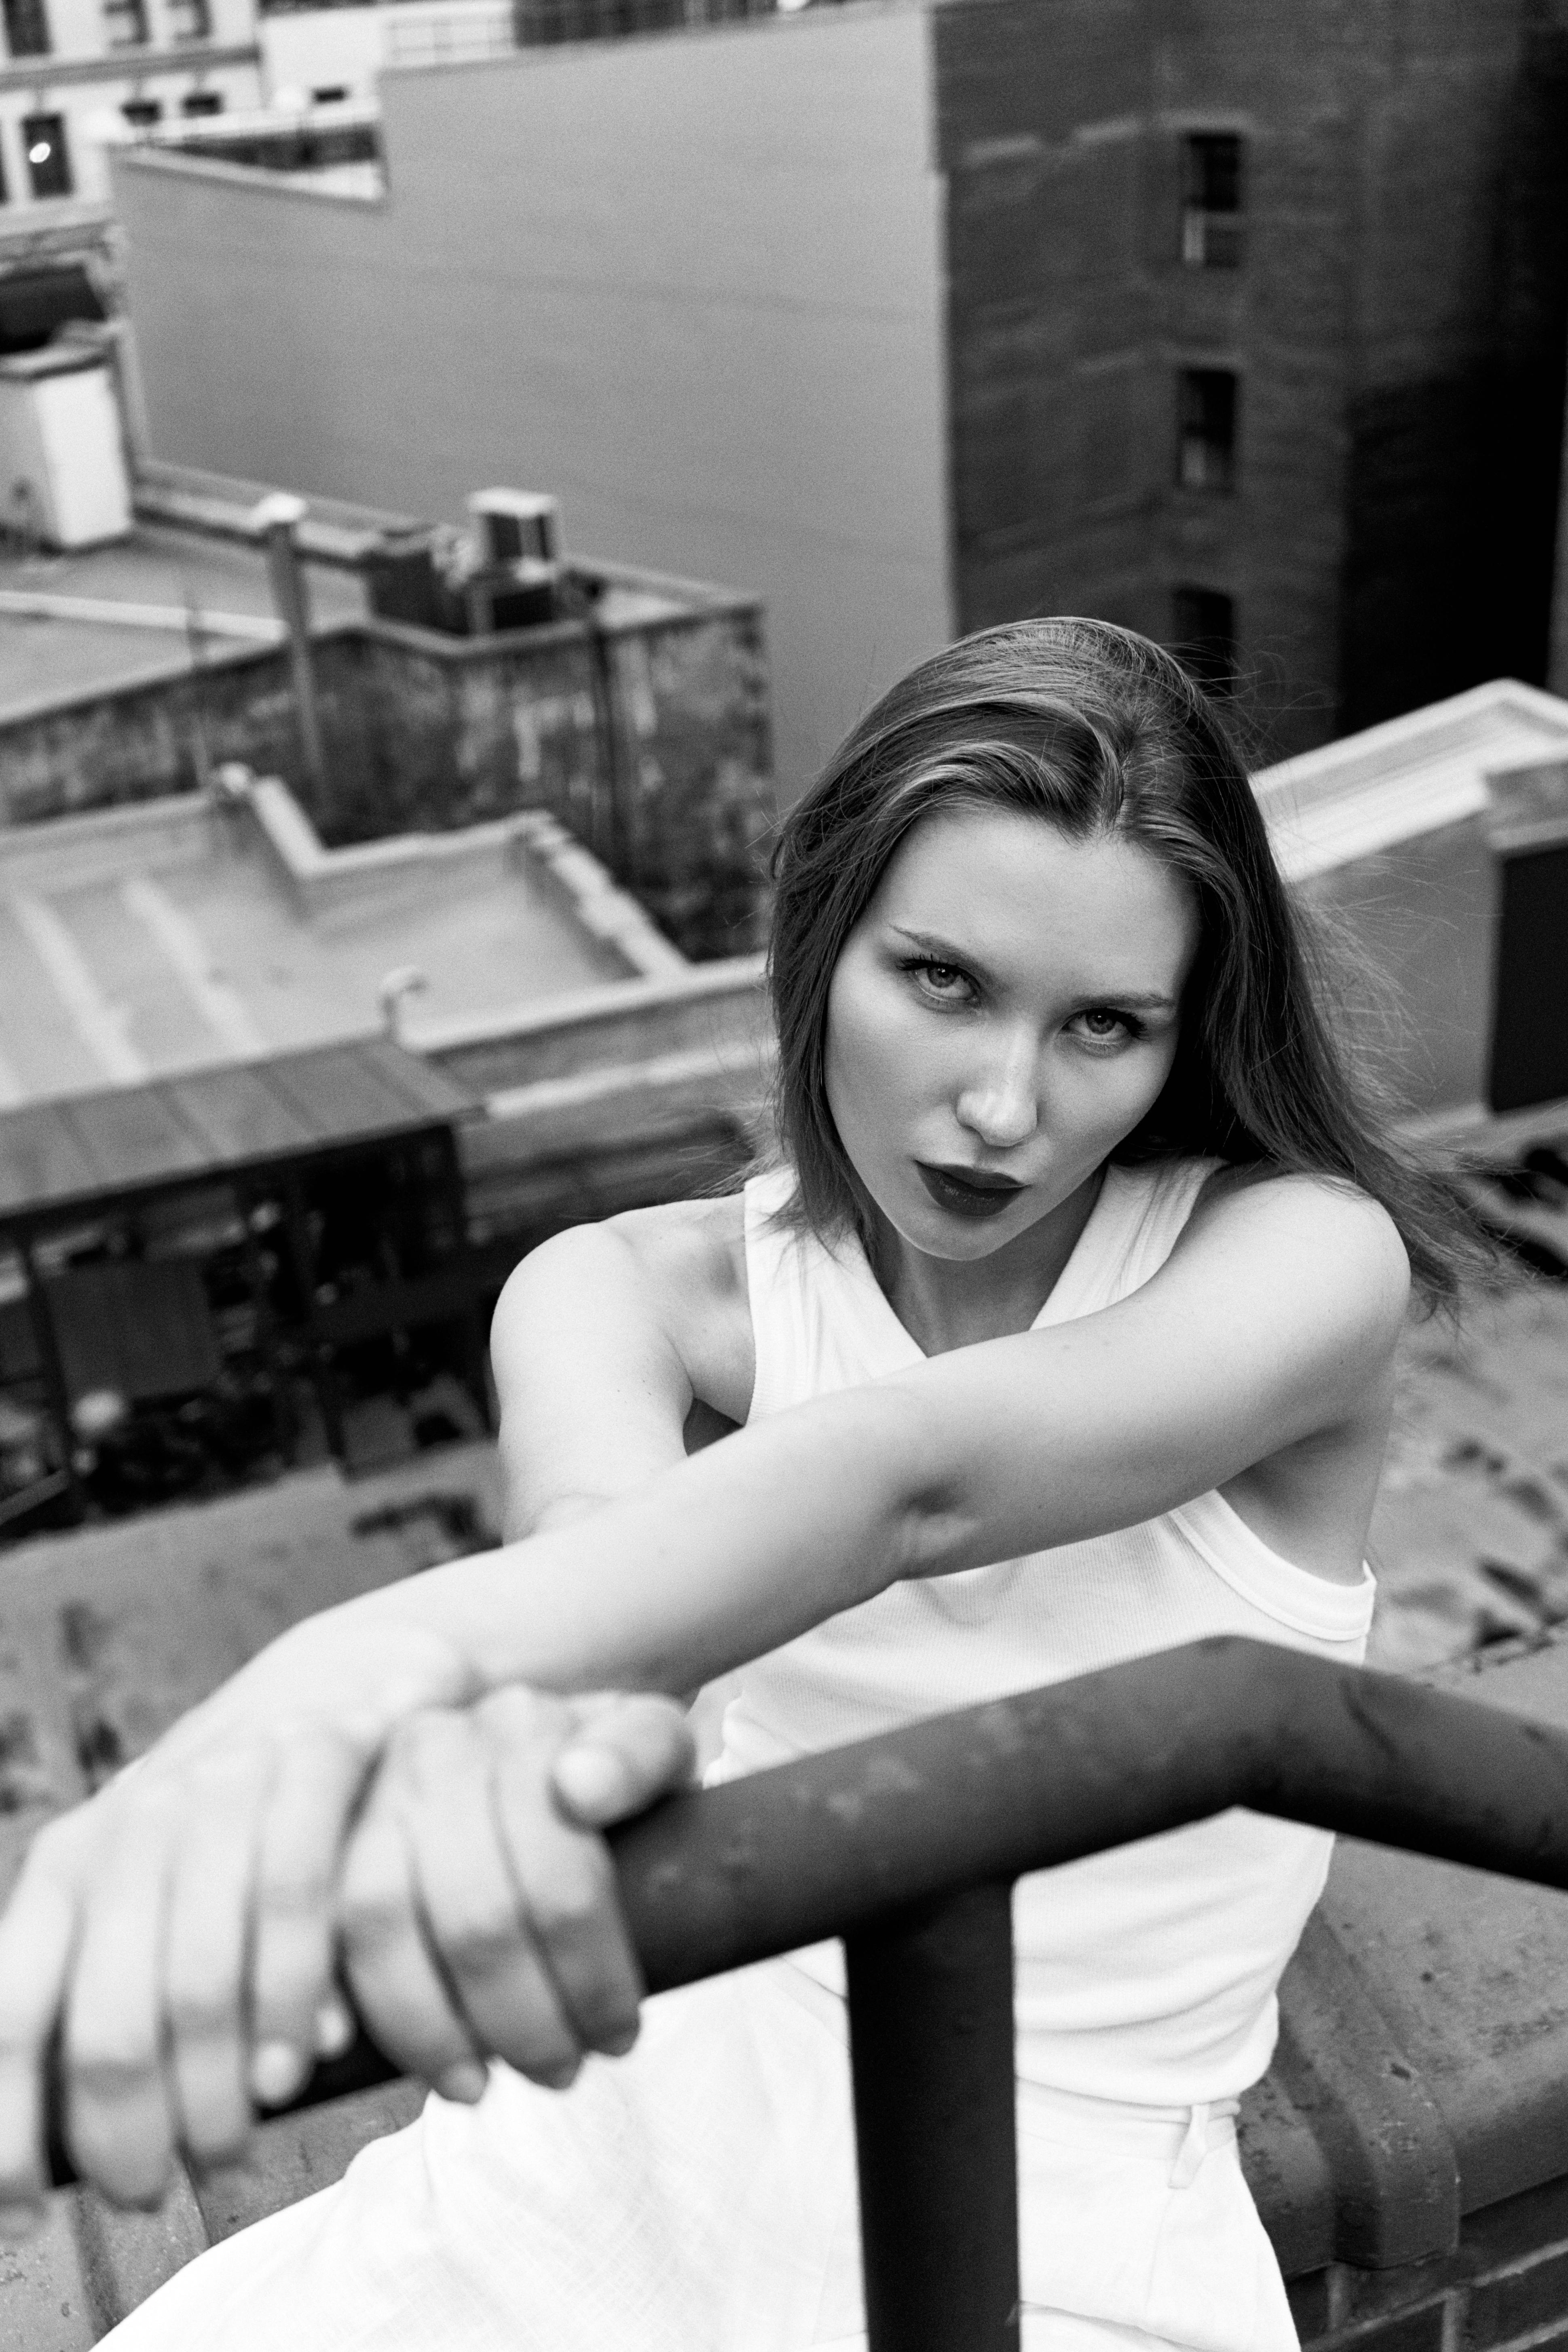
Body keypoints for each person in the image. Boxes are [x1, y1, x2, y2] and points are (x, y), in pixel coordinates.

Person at [0, 619, 1480, 2350]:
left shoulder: (1299, 1259)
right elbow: (610, 1571)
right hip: (633, 2113)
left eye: (1103, 1025)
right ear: (819, 932)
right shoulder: (625, 1286)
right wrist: (502, 1724)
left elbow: (906, 1483)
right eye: (941, 980)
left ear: (1186, 1035)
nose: (1003, 1101)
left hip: (1054, 2214)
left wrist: (363, 1663)